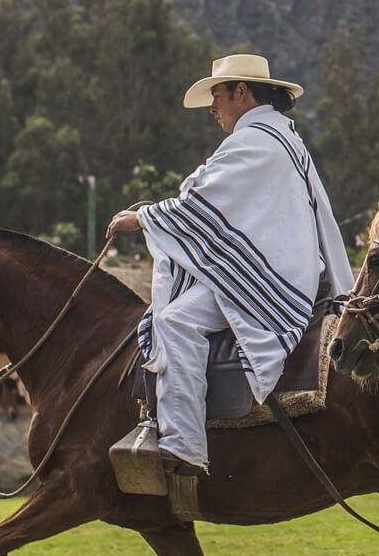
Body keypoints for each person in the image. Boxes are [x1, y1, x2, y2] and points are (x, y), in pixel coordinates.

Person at [106, 54, 353, 477]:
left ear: (242, 92)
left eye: (217, 95)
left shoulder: (254, 141)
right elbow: (213, 203)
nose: (212, 107)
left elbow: (201, 206)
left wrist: (142, 218)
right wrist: (165, 211)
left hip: (271, 280)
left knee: (177, 321)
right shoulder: (281, 140)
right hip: (284, 271)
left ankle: (183, 444)